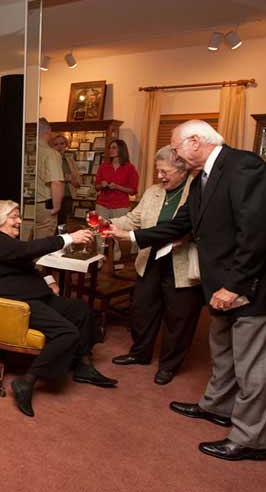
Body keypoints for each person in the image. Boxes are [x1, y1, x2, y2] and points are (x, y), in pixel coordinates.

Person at [106, 120, 266, 461]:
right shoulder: (202, 179)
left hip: (251, 286)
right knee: (224, 351)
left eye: (174, 147)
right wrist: (133, 236)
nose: (172, 153)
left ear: (195, 142)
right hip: (221, 285)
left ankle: (251, 439)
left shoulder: (245, 166)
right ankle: (216, 406)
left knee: (253, 365)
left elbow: (256, 234)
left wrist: (234, 286)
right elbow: (182, 224)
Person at [0, 200, 118, 417]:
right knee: (66, 333)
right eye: (14, 217)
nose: (19, 221)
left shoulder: (6, 244)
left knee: (81, 310)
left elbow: (26, 262)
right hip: (17, 303)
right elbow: (29, 249)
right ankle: (27, 381)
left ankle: (83, 366)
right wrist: (69, 238)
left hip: (33, 293)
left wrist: (49, 279)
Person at [108, 146, 203, 385]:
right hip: (151, 258)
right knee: (142, 308)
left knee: (178, 318)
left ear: (183, 170)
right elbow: (133, 219)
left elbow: (202, 227)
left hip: (181, 262)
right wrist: (108, 223)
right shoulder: (153, 192)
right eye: (158, 171)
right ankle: (140, 353)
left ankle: (169, 365)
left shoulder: (198, 191)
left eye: (164, 171)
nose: (159, 176)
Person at [95, 139, 138, 259]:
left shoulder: (130, 168)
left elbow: (133, 190)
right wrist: (101, 184)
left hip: (120, 205)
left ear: (121, 149)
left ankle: (115, 259)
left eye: (114, 148)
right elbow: (96, 186)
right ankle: (99, 257)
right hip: (102, 204)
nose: (111, 150)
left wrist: (117, 187)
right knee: (100, 233)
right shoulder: (104, 166)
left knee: (117, 233)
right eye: (110, 148)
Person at [34, 118, 64, 239]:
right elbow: (56, 182)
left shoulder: (27, 151)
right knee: (42, 247)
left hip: (26, 205)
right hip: (44, 206)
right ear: (49, 132)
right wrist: (56, 207)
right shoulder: (51, 153)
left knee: (25, 244)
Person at [49, 134, 81, 227]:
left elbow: (78, 183)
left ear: (66, 145)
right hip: (52, 196)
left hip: (67, 196)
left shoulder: (69, 160)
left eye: (62, 143)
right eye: (56, 144)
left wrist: (71, 180)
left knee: (63, 224)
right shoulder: (50, 159)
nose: (59, 146)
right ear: (52, 146)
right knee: (52, 224)